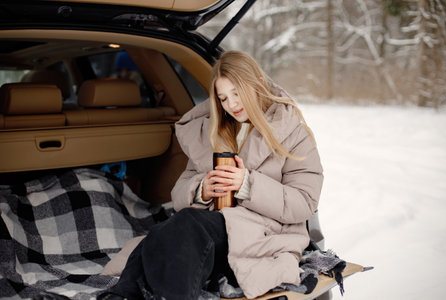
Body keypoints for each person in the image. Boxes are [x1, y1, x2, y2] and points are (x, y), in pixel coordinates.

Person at [100, 50, 323, 300]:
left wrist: (247, 185)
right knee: (161, 234)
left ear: (259, 83)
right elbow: (180, 189)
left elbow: (305, 202)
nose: (232, 105)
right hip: (215, 229)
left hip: (264, 235)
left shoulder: (292, 132)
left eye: (237, 93)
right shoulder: (215, 131)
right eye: (224, 98)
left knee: (185, 225)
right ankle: (122, 294)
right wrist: (201, 189)